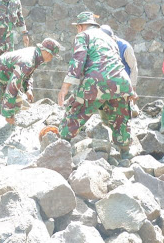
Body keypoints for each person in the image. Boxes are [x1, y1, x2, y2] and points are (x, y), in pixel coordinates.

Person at [57, 12, 137, 154]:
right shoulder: (110, 38)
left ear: (80, 27)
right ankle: (125, 153)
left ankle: (61, 146)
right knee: (120, 118)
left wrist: (65, 87)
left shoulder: (83, 36)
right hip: (122, 82)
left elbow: (78, 60)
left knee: (76, 113)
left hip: (96, 81)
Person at [0, 38, 63, 150]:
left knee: (18, 101)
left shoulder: (36, 55)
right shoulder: (27, 60)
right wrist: (8, 114)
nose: (51, 59)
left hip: (5, 76)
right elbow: (12, 88)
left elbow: (28, 74)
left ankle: (9, 128)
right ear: (47, 52)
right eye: (52, 56)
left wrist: (28, 89)